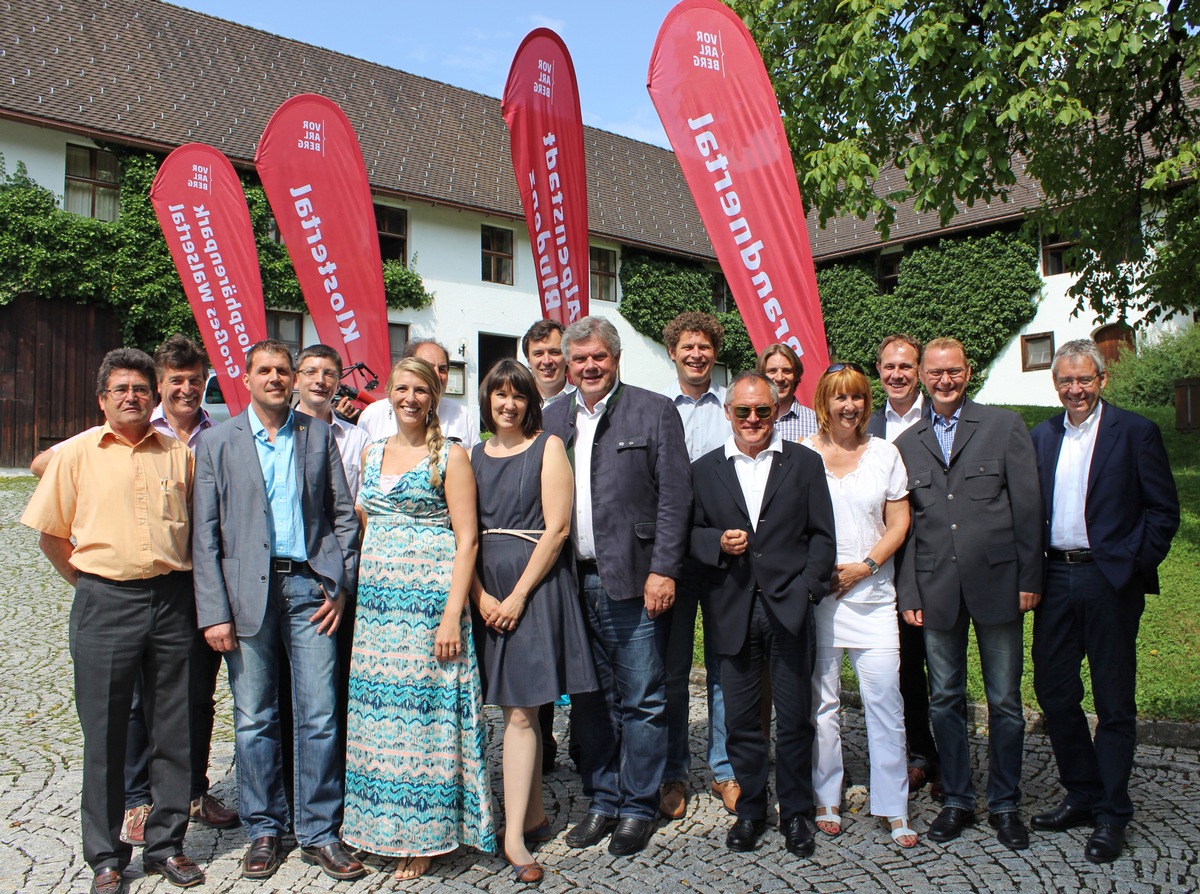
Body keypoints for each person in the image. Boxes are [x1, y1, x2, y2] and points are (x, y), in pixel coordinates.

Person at [28, 335, 239, 845]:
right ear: (102, 398)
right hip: (107, 600)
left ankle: (169, 840)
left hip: (174, 597)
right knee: (108, 725)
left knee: (178, 718)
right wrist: (89, 581)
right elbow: (51, 534)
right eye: (121, 389)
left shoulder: (183, 453)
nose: (132, 397)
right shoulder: (78, 451)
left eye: (140, 389)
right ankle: (110, 845)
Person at [192, 339, 363, 882]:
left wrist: (341, 584)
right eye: (263, 370)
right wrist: (214, 612)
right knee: (254, 719)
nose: (274, 378)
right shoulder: (218, 442)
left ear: (292, 379)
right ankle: (263, 829)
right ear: (246, 378)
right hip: (246, 598)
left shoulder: (317, 436)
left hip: (310, 593)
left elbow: (343, 517)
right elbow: (206, 535)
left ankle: (318, 831)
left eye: (282, 370)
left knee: (318, 715)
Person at [542, 315, 692, 856]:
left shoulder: (653, 411)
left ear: (616, 358)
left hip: (633, 581)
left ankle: (637, 806)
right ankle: (603, 800)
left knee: (644, 699)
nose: (588, 367)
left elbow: (676, 498)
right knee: (590, 700)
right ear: (567, 364)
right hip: (570, 581)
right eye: (578, 359)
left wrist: (664, 568)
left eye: (597, 357)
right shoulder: (552, 417)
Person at [341, 357, 495, 881]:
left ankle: (425, 836)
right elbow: (366, 524)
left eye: (420, 390)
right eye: (401, 389)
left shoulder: (451, 455)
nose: (410, 398)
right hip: (379, 611)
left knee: (425, 721)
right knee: (377, 722)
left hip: (431, 607)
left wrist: (453, 614)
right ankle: (379, 828)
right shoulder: (372, 449)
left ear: (434, 397)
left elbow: (468, 537)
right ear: (388, 394)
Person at [1029, 339, 1179, 863]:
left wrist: (1132, 564)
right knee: (1054, 692)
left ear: (1101, 380)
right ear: (1055, 385)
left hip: (1110, 579)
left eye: (1084, 380)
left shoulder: (1135, 432)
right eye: (1065, 381)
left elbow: (1163, 511)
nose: (1075, 390)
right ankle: (1084, 794)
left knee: (1113, 701)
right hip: (1054, 579)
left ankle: (1114, 811)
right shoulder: (1040, 437)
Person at [894, 337, 1043, 851]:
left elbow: (1028, 509)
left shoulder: (1003, 427)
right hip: (936, 589)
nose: (944, 380)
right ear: (921, 377)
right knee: (945, 700)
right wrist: (909, 589)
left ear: (968, 371)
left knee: (1003, 701)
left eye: (952, 371)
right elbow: (906, 528)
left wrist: (1031, 579)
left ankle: (1004, 802)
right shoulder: (907, 443)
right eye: (934, 373)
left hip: (1000, 584)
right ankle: (957, 798)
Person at [690, 371, 836, 856]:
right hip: (731, 610)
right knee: (742, 723)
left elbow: (822, 536)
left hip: (789, 610)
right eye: (743, 411)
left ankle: (796, 813)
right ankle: (752, 810)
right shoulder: (705, 468)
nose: (753, 419)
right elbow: (687, 533)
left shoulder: (805, 463)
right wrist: (714, 542)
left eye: (763, 411)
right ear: (728, 413)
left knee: (795, 719)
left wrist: (808, 590)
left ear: (777, 411)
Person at [470, 359, 597, 883]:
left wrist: (516, 596)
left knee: (522, 711)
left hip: (532, 588)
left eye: (517, 395)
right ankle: (537, 814)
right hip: (483, 592)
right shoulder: (472, 455)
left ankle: (514, 835)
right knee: (501, 709)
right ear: (488, 401)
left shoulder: (547, 447)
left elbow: (558, 527)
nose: (508, 404)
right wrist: (478, 596)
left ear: (529, 401)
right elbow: (464, 534)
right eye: (499, 395)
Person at [803, 363, 915, 849]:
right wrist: (819, 572)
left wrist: (865, 566)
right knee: (821, 705)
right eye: (839, 398)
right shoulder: (803, 455)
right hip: (822, 599)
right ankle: (826, 794)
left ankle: (893, 805)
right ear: (823, 403)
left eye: (856, 397)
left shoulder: (887, 454)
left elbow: (898, 522)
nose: (848, 406)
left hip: (872, 598)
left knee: (885, 702)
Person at [659, 311, 739, 820]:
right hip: (671, 555)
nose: (696, 355)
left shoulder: (732, 408)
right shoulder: (655, 408)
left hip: (725, 554)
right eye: (687, 347)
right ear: (673, 353)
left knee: (725, 667)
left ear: (715, 353)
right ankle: (672, 772)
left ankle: (726, 768)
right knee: (670, 671)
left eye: (704, 347)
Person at [867, 334, 940, 795]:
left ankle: (945, 756)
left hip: (931, 559)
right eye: (889, 366)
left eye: (906, 366)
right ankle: (918, 752)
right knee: (902, 665)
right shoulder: (867, 424)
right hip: (879, 562)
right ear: (879, 371)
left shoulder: (943, 419)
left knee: (940, 662)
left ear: (918, 372)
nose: (897, 374)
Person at [356, 338, 480, 449]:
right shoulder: (373, 415)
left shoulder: (460, 414)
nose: (436, 375)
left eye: (442, 369)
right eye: (428, 367)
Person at [757, 343, 818, 441]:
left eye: (786, 371)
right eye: (772, 371)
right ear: (761, 376)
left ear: (796, 376)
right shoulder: (750, 421)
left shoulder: (816, 423)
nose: (779, 378)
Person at [522, 318, 575, 406]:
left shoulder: (582, 400)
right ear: (528, 360)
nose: (547, 361)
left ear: (567, 357)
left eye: (554, 352)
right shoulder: (519, 401)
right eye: (538, 353)